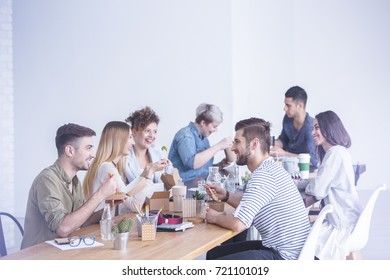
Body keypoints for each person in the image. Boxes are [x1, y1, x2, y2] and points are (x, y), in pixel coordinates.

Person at [205, 118, 311, 260]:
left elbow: (238, 224)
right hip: (290, 252)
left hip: (284, 258)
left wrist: (215, 217)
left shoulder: (263, 176)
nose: (232, 148)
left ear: (254, 144)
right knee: (214, 254)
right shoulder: (271, 168)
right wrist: (226, 196)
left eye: (237, 142)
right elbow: (252, 202)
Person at [21, 123, 118, 249]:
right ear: (70, 150)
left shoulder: (75, 181)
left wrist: (108, 205)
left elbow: (82, 221)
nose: (93, 154)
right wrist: (100, 194)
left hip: (61, 252)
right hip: (38, 258)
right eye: (88, 148)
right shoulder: (47, 180)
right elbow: (63, 228)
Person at [297, 110, 362, 260]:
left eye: (317, 127)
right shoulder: (340, 152)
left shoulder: (334, 154)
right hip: (349, 219)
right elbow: (321, 181)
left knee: (303, 244)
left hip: (341, 225)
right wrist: (303, 184)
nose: (313, 132)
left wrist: (303, 185)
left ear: (329, 128)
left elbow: (318, 190)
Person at [83, 121, 169, 215]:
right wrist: (148, 175)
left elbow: (125, 193)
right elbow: (134, 205)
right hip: (100, 227)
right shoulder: (107, 168)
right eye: (130, 137)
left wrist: (145, 173)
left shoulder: (109, 166)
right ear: (118, 140)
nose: (133, 142)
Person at [168, 103, 235, 182]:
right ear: (203, 123)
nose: (215, 130)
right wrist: (218, 146)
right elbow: (192, 163)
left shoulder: (203, 138)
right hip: (183, 186)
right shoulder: (185, 135)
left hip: (199, 184)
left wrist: (220, 165)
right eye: (214, 126)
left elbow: (202, 169)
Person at [271, 86, 318, 170]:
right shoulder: (287, 118)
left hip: (303, 171)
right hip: (286, 167)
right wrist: (267, 144)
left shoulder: (311, 127)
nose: (284, 109)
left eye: (288, 105)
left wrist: (284, 154)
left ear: (300, 106)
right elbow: (283, 141)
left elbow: (313, 160)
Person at [124, 106, 172, 186]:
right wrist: (151, 170)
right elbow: (123, 191)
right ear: (134, 132)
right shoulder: (124, 157)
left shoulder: (158, 151)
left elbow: (171, 177)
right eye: (147, 131)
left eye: (155, 131)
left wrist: (169, 169)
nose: (152, 135)